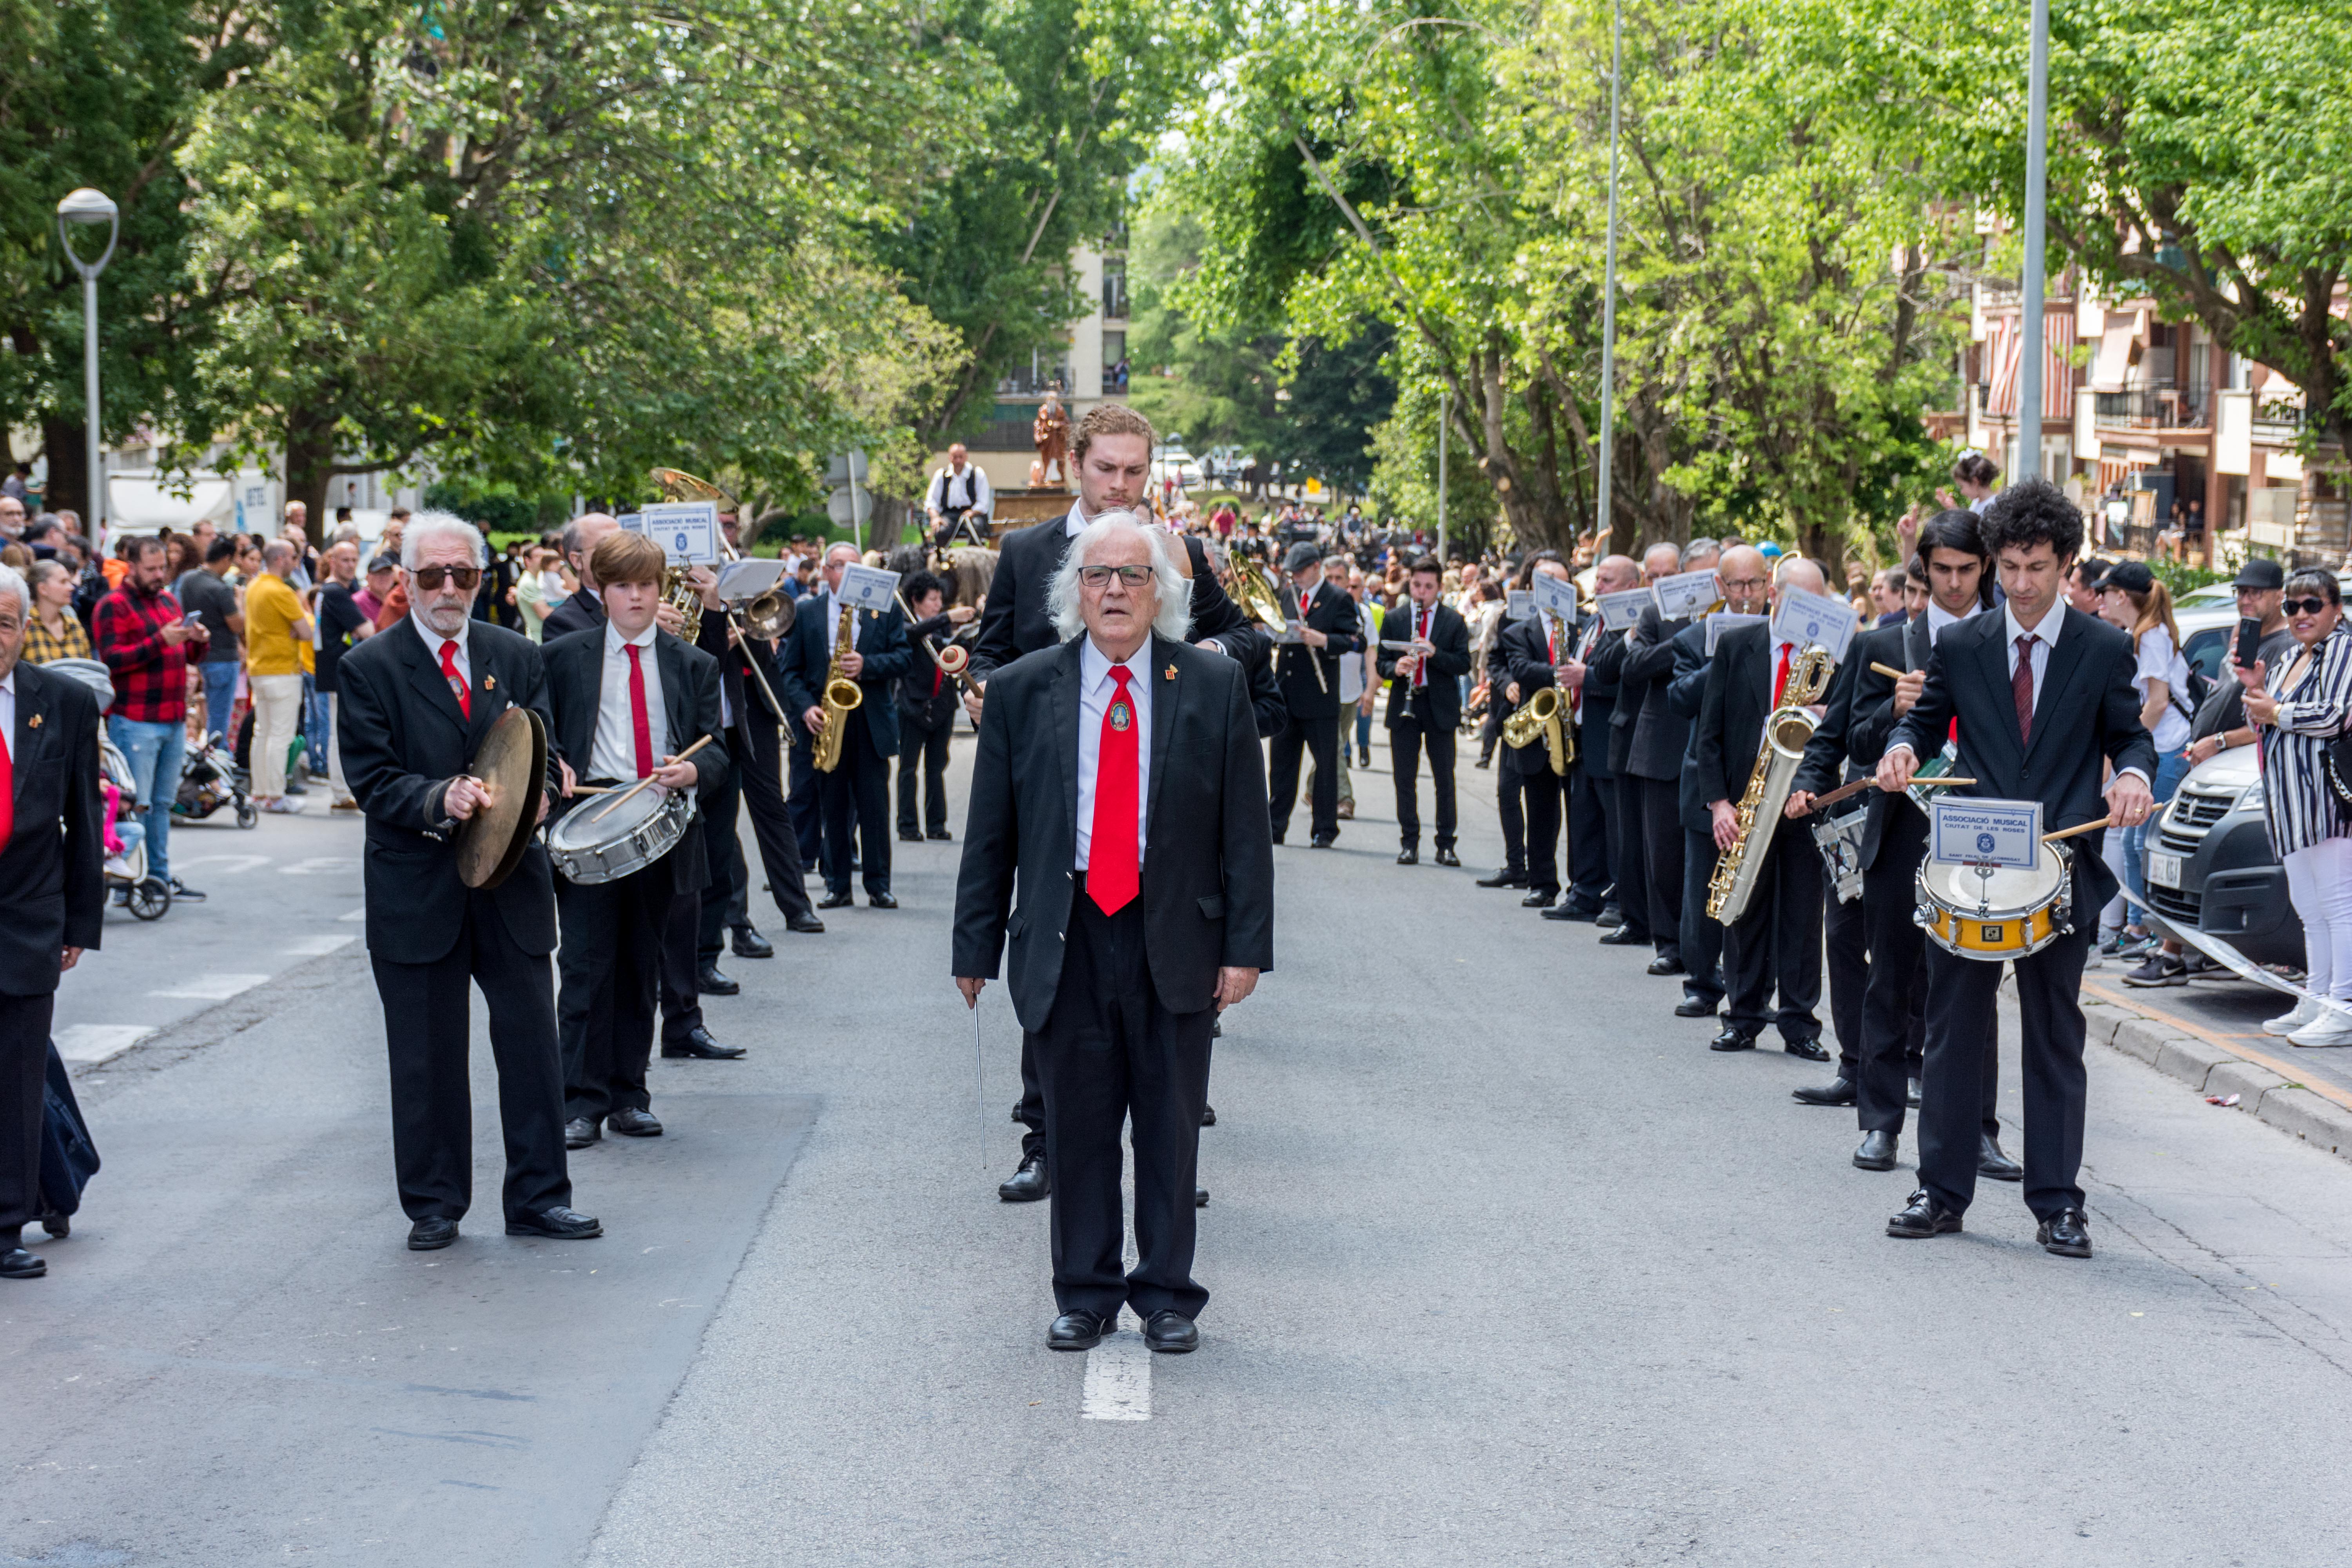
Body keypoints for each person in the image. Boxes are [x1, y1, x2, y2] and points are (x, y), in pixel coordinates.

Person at [950, 512, 1273, 1354]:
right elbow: (992, 831)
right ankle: (1086, 1291)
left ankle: (1168, 1292)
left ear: (1161, 592)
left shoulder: (1211, 684)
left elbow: (1245, 829)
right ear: (1074, 591)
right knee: (1080, 1124)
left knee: (1169, 1125)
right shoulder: (1025, 688)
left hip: (1177, 937)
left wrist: (1245, 948)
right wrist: (973, 945)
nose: (1116, 591)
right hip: (1067, 934)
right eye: (1099, 576)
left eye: (1133, 575)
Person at [962, 403, 1261, 1204]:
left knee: (1169, 977)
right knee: (1054, 973)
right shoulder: (1027, 551)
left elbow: (1249, 641)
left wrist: (1208, 654)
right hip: (1055, 790)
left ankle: (1168, 1150)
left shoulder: (1176, 553)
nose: (1121, 484)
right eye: (1106, 469)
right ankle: (1045, 1139)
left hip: (1159, 796)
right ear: (1077, 468)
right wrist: (990, 692)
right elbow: (991, 650)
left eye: (1135, 470)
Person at [1877, 477, 2155, 1257]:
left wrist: (2133, 776)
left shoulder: (2105, 647)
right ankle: (1941, 1190)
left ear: (2069, 564)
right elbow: (1926, 724)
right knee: (1951, 1030)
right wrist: (1901, 748)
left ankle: (2059, 1202)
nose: (2021, 585)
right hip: (1972, 860)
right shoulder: (1961, 643)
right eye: (2009, 568)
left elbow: (2129, 735)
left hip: (2063, 864)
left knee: (2054, 1036)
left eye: (2037, 567)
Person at [335, 512, 599, 1250]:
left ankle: (542, 1198)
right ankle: (434, 1204)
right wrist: (438, 798)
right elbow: (372, 779)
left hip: (511, 882)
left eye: (464, 575)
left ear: (483, 580)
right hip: (417, 888)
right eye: (431, 575)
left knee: (531, 1048)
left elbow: (543, 747)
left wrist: (546, 788)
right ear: (405, 580)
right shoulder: (369, 667)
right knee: (426, 1056)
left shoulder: (516, 654)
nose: (449, 589)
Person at [1787, 511, 2018, 1179]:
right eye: (1938, 572)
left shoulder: (2011, 642)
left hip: (1978, 835)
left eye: (1965, 571)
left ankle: (1978, 1131)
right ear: (1922, 571)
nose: (1951, 584)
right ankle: (1881, 1124)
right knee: (1888, 981)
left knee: (1975, 989)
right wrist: (1893, 711)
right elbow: (1850, 742)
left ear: (1986, 569)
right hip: (1899, 831)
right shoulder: (1881, 643)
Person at [543, 531, 730, 1147]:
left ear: (659, 590)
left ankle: (630, 1094)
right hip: (593, 817)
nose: (635, 598)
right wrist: (556, 765)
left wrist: (694, 770)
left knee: (640, 967)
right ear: (600, 590)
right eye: (622, 586)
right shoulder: (565, 655)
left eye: (645, 586)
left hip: (662, 825)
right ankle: (580, 1101)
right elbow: (543, 737)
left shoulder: (694, 663)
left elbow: (720, 751)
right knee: (584, 968)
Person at [0, 567, 105, 1280]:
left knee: (15, 1080)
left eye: (5, 623)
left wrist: (79, 921)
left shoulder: (60, 702)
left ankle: (8, 1223)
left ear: (23, 626)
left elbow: (85, 823)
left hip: (28, 918)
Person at [1691, 550, 1831, 1060]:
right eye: (1800, 600)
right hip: (1746, 803)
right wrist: (1719, 804)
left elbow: (1846, 731)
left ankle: (1800, 1026)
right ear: (1776, 594)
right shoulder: (1737, 644)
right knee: (1742, 913)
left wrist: (1827, 711)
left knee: (1801, 917)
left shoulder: (1829, 656)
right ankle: (1743, 1017)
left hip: (1801, 804)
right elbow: (1709, 734)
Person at [2238, 570, 2352, 1045]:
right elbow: (2263, 721)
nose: (2301, 615)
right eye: (2293, 607)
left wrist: (2276, 711)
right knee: (2308, 906)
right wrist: (2255, 693)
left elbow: (2337, 714)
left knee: (2337, 904)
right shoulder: (2286, 657)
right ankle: (2317, 995)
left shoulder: (2345, 649)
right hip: (2288, 801)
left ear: (2336, 609)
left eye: (2313, 605)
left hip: (2327, 799)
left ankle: (2342, 1005)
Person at [773, 542, 913, 909]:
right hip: (825, 725)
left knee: (874, 808)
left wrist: (867, 664)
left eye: (855, 566)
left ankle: (879, 885)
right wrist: (805, 709)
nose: (849, 573)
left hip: (870, 724)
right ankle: (837, 885)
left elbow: (903, 657)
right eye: (840, 566)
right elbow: (790, 671)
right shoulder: (808, 614)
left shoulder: (884, 608)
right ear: (826, 572)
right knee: (831, 808)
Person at [1619, 539, 1722, 972]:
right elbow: (1635, 666)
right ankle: (1670, 944)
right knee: (1662, 854)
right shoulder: (1656, 614)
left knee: (1705, 860)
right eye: (1695, 578)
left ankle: (1709, 952)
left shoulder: (1744, 619)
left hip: (1715, 751)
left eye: (1713, 578)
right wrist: (1689, 639)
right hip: (1662, 745)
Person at [90, 535, 206, 904]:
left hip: (171, 718)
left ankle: (156, 877)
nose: (159, 576)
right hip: (136, 718)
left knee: (161, 804)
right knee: (134, 803)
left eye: (163, 569)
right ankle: (127, 881)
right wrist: (161, 639)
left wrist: (197, 640)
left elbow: (186, 652)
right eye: (152, 569)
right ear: (132, 567)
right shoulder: (113, 605)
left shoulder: (168, 600)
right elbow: (112, 660)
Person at [2089, 558, 2192, 976]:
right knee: (2135, 843)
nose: (2099, 599)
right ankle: (2137, 926)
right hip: (2163, 746)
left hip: (2167, 748)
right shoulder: (2142, 633)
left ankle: (2142, 928)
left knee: (2144, 843)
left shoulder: (2150, 636)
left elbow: (2158, 702)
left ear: (2121, 596)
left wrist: (2130, 751)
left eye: (2105, 592)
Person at [1376, 555, 1470, 865]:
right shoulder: (1396, 618)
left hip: (1439, 705)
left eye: (1429, 587)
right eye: (1417, 585)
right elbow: (1381, 662)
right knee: (1405, 778)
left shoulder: (1454, 621)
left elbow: (1464, 664)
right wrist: (1397, 668)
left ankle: (1446, 844)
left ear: (1440, 588)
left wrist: (1435, 653)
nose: (1421, 592)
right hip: (1406, 703)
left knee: (1445, 779)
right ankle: (1409, 842)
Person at [1496, 554, 1578, 907]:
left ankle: (1583, 887)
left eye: (1560, 582)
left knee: (1581, 817)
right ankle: (1543, 882)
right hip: (1539, 733)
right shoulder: (1517, 630)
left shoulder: (1586, 625)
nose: (1552, 589)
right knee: (1541, 812)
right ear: (1532, 587)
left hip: (1578, 732)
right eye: (1545, 582)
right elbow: (1522, 669)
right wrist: (1565, 672)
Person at [243, 539, 314, 814]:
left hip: (258, 669)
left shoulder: (254, 586)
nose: (296, 563)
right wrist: (296, 631)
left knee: (261, 734)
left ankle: (260, 793)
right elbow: (307, 631)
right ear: (282, 559)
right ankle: (275, 795)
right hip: (283, 670)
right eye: (294, 557)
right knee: (280, 736)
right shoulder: (282, 592)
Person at [894, 570, 965, 842]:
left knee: (936, 768)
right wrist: (946, 617)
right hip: (913, 703)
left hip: (943, 703)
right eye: (933, 599)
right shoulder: (903, 621)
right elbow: (911, 635)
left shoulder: (942, 627)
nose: (938, 604)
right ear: (916, 600)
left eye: (940, 600)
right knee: (908, 768)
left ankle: (937, 824)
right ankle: (908, 825)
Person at [313, 540, 372, 810]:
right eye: (344, 560)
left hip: (332, 667)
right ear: (333, 561)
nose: (350, 565)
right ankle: (341, 791)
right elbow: (367, 630)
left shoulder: (331, 591)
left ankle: (341, 790)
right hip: (339, 669)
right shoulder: (336, 592)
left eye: (353, 559)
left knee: (338, 731)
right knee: (340, 733)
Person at [926, 445, 995, 550]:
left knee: (977, 528)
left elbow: (984, 501)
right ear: (950, 458)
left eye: (961, 457)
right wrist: (935, 517)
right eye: (955, 457)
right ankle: (945, 559)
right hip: (950, 514)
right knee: (940, 531)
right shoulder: (941, 475)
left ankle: (973, 557)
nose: (958, 461)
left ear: (966, 457)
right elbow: (932, 501)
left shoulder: (977, 473)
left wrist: (973, 512)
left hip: (973, 513)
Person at [22, 561, 91, 664]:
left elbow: (90, 671)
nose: (71, 588)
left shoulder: (75, 626)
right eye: (63, 582)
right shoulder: (25, 627)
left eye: (70, 581)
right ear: (43, 589)